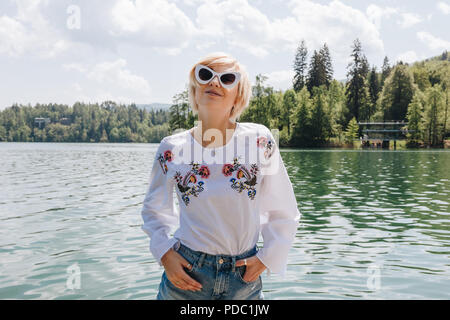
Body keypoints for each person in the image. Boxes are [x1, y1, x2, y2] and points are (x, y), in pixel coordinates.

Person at [141, 52, 301, 300]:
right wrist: (164, 253)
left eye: (227, 78)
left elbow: (283, 208)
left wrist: (267, 257)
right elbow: (154, 211)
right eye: (205, 75)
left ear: (238, 95)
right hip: (186, 273)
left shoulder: (259, 141)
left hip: (243, 276)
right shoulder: (171, 148)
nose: (214, 82)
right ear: (195, 90)